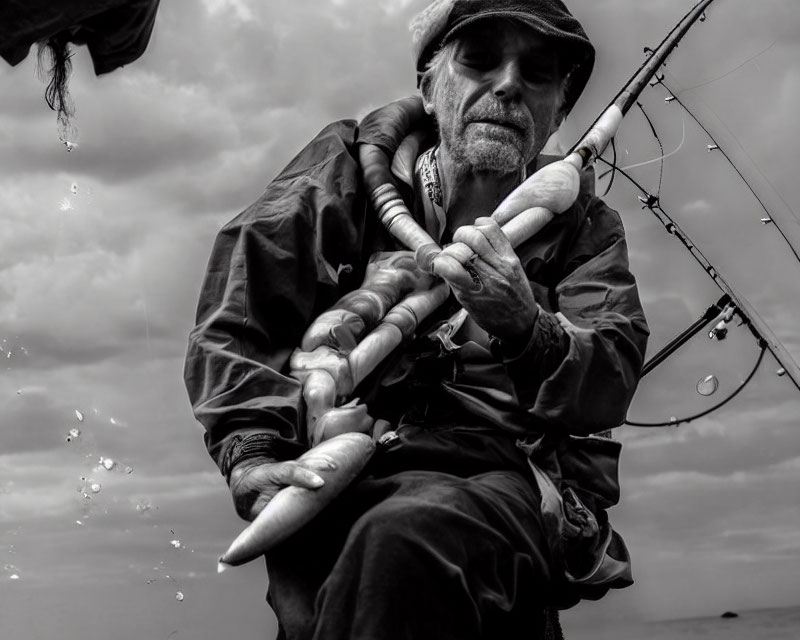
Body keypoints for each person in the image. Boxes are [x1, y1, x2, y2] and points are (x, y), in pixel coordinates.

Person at [184, 1, 649, 638]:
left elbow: (611, 370)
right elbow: (240, 308)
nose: (508, 84)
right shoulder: (341, 172)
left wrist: (524, 324)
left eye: (538, 74)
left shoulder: (587, 229)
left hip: (501, 486)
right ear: (429, 85)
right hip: (337, 475)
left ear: (558, 113)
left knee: (401, 543)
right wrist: (253, 450)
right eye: (480, 60)